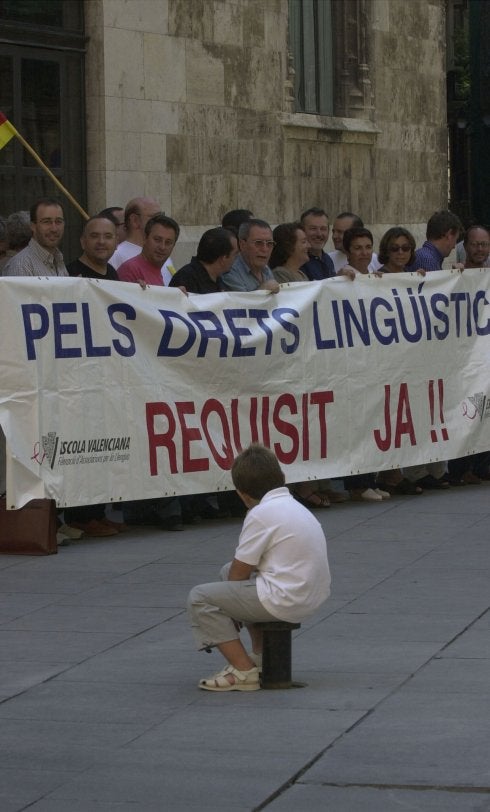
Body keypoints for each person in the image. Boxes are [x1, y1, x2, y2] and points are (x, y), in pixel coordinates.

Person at [187, 444, 331, 691]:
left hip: (286, 598)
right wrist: (234, 604)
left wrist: (230, 612)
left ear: (241, 494)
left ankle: (243, 672)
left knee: (200, 597)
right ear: (281, 478)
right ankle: (261, 657)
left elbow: (239, 574)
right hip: (309, 592)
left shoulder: (261, 513)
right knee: (225, 571)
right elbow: (235, 573)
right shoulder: (295, 505)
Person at [61, 216, 124, 537]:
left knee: (103, 444)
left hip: (106, 375)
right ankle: (79, 516)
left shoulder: (113, 274)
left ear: (116, 241)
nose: (102, 242)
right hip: (77, 376)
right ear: (83, 241)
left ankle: (97, 511)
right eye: (95, 236)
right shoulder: (70, 274)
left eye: (108, 236)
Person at [2, 197, 68, 277]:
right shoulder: (21, 265)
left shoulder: (57, 259)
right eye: (46, 222)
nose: (54, 229)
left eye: (58, 221)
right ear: (33, 226)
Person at [170, 227, 238, 293]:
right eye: (235, 254)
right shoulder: (186, 278)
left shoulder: (217, 278)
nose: (236, 258)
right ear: (224, 258)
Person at [117, 213, 179, 285]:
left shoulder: (156, 269)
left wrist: (176, 294)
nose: (162, 247)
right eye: (157, 240)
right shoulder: (130, 270)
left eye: (168, 242)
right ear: (145, 238)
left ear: (174, 245)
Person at [221, 218, 280, 292]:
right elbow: (242, 302)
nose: (265, 249)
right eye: (258, 243)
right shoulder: (230, 272)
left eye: (269, 243)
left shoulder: (265, 269)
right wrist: (263, 290)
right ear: (242, 244)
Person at [109, 197, 162, 270]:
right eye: (156, 217)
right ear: (135, 220)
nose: (162, 222)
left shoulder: (161, 253)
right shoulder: (115, 256)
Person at [299, 207, 336, 280]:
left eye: (323, 229)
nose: (319, 234)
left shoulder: (328, 259)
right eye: (313, 228)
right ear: (302, 231)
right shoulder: (298, 262)